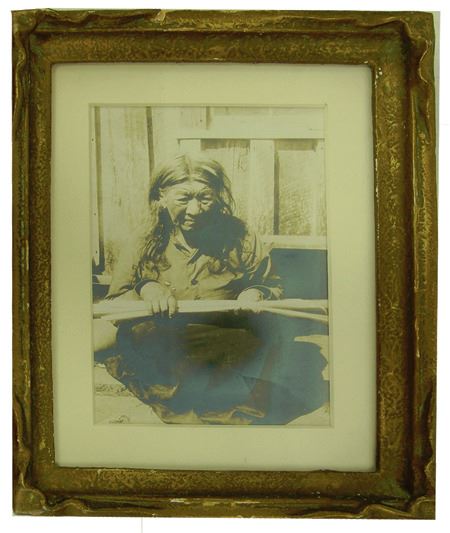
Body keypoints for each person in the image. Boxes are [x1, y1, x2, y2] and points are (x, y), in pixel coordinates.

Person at [94, 153, 328, 424]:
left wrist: (256, 293)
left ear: (218, 196)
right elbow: (115, 304)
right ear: (162, 197)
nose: (195, 210)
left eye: (205, 198)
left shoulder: (239, 237)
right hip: (165, 341)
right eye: (184, 199)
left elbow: (272, 285)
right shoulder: (145, 239)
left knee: (256, 354)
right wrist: (147, 288)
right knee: (146, 344)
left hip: (224, 338)